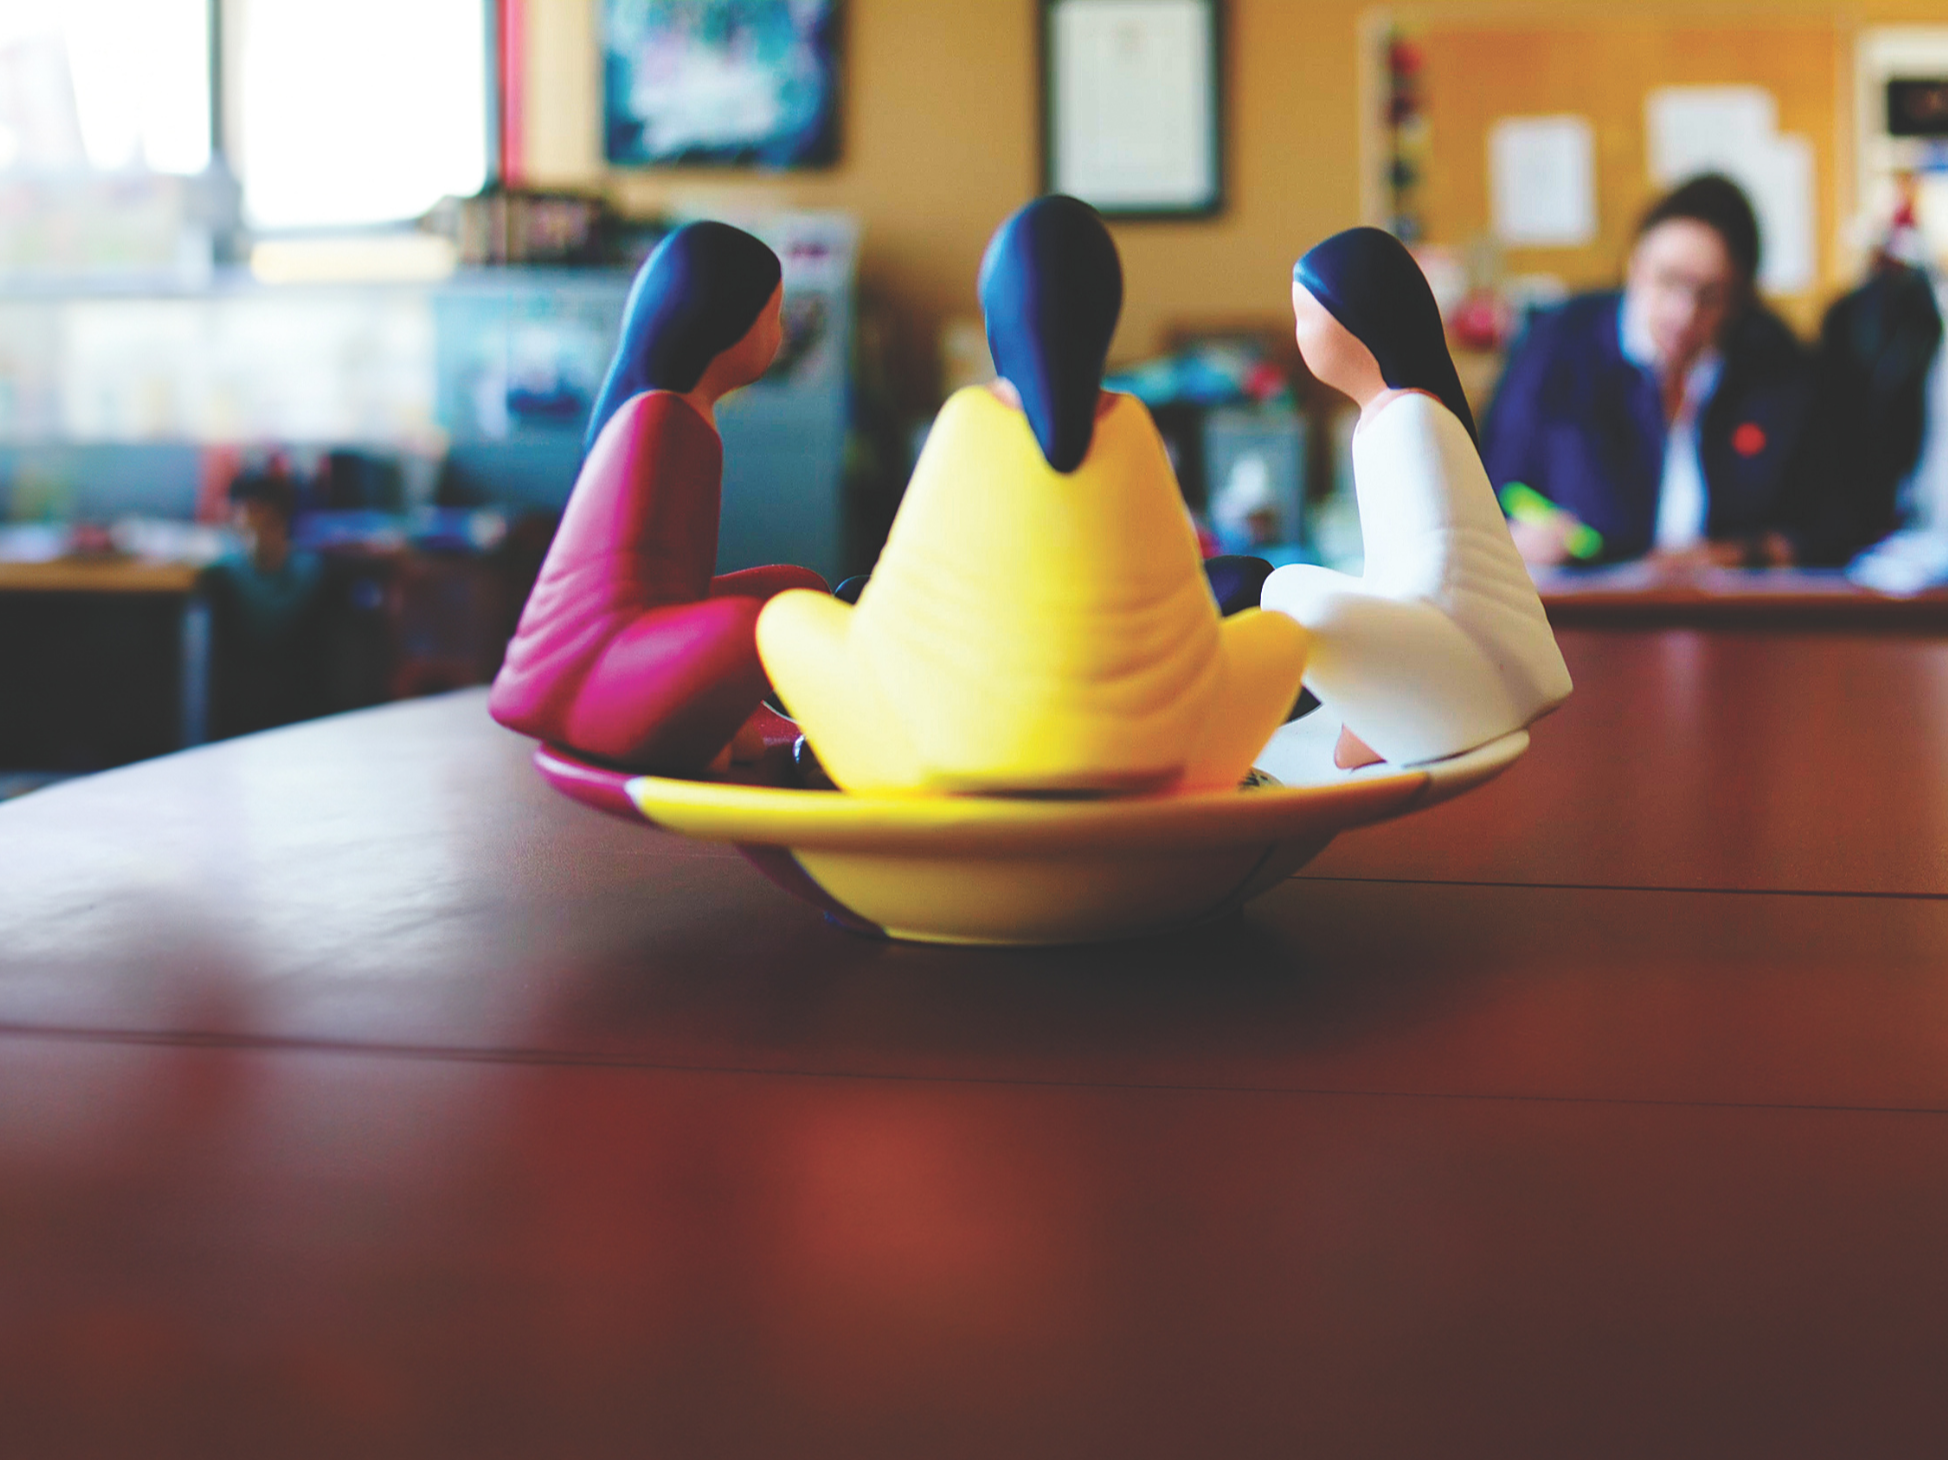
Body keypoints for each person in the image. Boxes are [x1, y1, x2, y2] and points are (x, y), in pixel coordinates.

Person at [754, 195, 1308, 796]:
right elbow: (1180, 592)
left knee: (790, 612)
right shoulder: (1131, 422)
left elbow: (899, 597)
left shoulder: (967, 417)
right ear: (1108, 316)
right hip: (1158, 759)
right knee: (1281, 628)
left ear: (996, 318)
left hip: (941, 754)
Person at [489, 222, 829, 773]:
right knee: (761, 626)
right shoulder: (662, 421)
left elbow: (678, 586)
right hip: (595, 663)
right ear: (726, 321)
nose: (780, 336)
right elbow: (650, 602)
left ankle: (721, 718)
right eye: (774, 317)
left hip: (639, 642)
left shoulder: (680, 415)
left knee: (798, 593)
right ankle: (691, 733)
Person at [1259, 227, 1571, 770]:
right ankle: (1382, 712)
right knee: (1284, 587)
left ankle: (1404, 712)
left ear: (1356, 322)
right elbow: (1390, 560)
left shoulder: (1411, 418)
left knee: (1298, 600)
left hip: (1456, 625)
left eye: (1306, 317)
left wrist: (1379, 616)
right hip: (1420, 616)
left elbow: (1437, 561)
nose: (1299, 334)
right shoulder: (1378, 422)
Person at [1481, 174, 1810, 568]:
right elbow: (1491, 486)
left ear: (1738, 299)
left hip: (1728, 613)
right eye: (1668, 280)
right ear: (1635, 267)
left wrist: (1737, 555)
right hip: (1583, 608)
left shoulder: (1772, 357)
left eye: (1710, 294)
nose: (1684, 312)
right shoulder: (1558, 344)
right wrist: (1516, 537)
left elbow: (1827, 521)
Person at [202, 467, 327, 737]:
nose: (257, 540)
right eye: (248, 528)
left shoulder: (312, 575)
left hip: (295, 716)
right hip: (247, 718)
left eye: (267, 525)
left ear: (284, 524)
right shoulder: (227, 574)